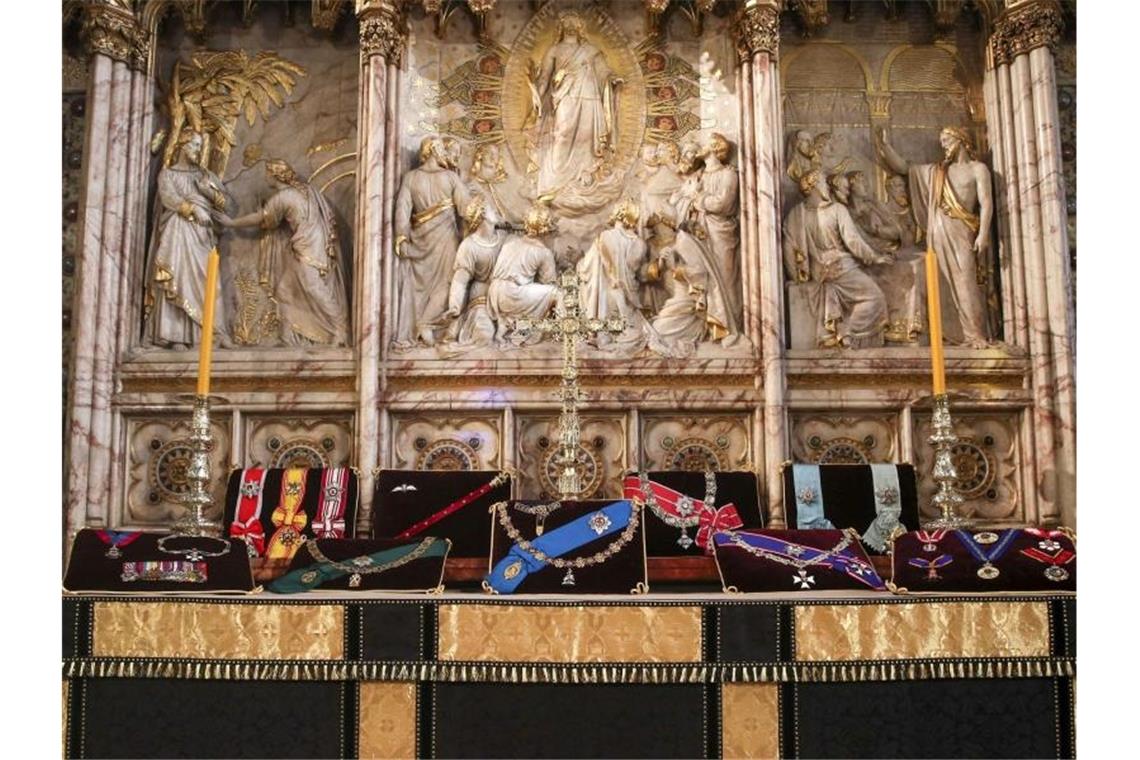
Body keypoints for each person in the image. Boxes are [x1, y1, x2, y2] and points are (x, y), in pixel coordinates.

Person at [876, 126, 994, 347]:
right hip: (938, 231)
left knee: (966, 281)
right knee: (942, 281)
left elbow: (986, 202)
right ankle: (953, 334)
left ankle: (976, 334)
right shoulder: (938, 171)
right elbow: (905, 168)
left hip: (963, 230)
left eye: (947, 140)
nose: (944, 145)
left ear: (961, 139)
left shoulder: (978, 169)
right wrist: (885, 147)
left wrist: (984, 234)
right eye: (942, 141)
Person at [219, 159, 349, 346]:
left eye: (267, 173)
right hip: (313, 243)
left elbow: (262, 217)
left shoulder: (284, 197)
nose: (266, 177)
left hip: (308, 247)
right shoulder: (306, 190)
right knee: (284, 290)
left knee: (313, 287)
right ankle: (288, 337)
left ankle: (341, 329)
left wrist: (231, 223)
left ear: (274, 175)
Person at [782, 169, 892, 348]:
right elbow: (853, 241)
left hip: (818, 273)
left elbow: (789, 249)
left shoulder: (795, 215)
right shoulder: (837, 210)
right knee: (876, 298)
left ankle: (840, 327)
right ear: (815, 185)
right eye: (824, 182)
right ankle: (846, 330)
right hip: (842, 269)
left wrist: (796, 278)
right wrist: (875, 257)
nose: (827, 186)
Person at [144, 130, 232, 348]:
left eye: (200, 146)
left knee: (207, 281)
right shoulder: (168, 174)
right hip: (178, 233)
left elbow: (225, 203)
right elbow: (169, 197)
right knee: (177, 277)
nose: (198, 151)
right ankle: (175, 336)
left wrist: (209, 193)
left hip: (202, 236)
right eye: (194, 145)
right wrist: (192, 209)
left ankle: (209, 332)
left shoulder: (206, 176)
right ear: (182, 146)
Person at [530, 11, 622, 198]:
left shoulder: (591, 50)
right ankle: (555, 180)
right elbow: (544, 79)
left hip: (589, 96)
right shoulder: (554, 50)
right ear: (561, 28)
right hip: (565, 96)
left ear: (580, 29)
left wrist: (612, 79)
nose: (571, 27)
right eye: (567, 24)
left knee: (587, 136)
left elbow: (603, 71)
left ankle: (584, 177)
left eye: (575, 24)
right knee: (562, 134)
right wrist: (537, 96)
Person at [392, 136, 472, 348]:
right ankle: (426, 324)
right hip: (445, 238)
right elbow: (467, 209)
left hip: (419, 239)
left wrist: (401, 237)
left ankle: (424, 326)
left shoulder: (410, 178)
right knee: (448, 281)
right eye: (442, 151)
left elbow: (402, 211)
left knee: (421, 285)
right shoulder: (450, 178)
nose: (445, 155)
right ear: (435, 152)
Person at [487, 205, 560, 344]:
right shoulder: (543, 252)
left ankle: (502, 331)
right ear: (546, 230)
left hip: (494, 293)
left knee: (533, 294)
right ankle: (525, 333)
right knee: (555, 294)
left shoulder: (511, 241)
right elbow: (549, 282)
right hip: (512, 294)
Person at [441, 196, 505, 351]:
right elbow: (460, 281)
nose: (495, 210)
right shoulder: (469, 246)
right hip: (481, 299)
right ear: (481, 215)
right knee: (484, 335)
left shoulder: (504, 237)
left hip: (505, 298)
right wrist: (455, 306)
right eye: (491, 208)